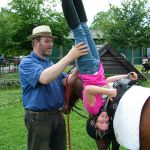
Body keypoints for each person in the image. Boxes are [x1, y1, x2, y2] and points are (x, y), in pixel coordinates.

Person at [61, 0, 138, 133]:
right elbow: (106, 81)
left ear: (93, 122)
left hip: (88, 69)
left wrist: (109, 92)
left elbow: (89, 89)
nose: (105, 119)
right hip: (97, 65)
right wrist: (126, 75)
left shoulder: (93, 109)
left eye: (101, 122)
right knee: (85, 27)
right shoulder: (103, 107)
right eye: (107, 122)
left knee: (78, 31)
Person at [18, 25, 88, 150]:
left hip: (57, 115)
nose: (51, 44)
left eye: (51, 41)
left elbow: (66, 81)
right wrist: (69, 57)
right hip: (39, 118)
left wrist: (78, 68)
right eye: (46, 41)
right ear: (35, 42)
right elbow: (44, 78)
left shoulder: (49, 63)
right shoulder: (27, 62)